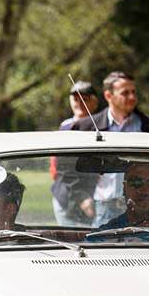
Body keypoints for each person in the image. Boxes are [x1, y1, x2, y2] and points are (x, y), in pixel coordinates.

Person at [72, 72, 149, 225]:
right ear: (108, 95)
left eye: (134, 92)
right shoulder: (86, 127)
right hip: (101, 207)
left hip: (144, 206)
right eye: (125, 93)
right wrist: (82, 198)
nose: (132, 97)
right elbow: (68, 169)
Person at [51, 81, 100, 224]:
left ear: (95, 102)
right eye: (76, 99)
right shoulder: (65, 127)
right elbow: (57, 167)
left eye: (85, 99)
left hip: (95, 198)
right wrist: (80, 197)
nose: (79, 103)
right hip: (65, 197)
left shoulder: (102, 127)